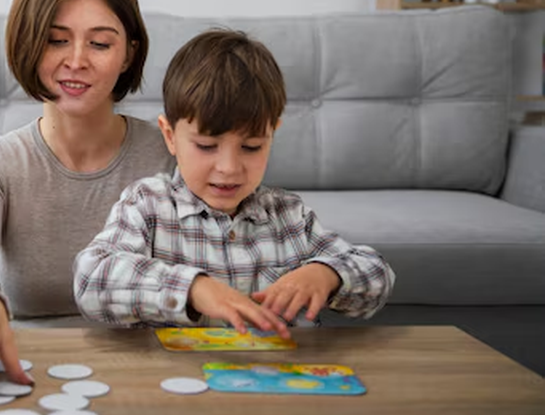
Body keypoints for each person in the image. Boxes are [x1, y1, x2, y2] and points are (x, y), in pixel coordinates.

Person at [0, 0, 175, 392]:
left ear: (128, 53)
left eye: (100, 43)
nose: (77, 60)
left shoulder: (172, 154)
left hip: (148, 375)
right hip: (31, 370)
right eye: (56, 39)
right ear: (28, 41)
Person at [74, 30, 394, 331]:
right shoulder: (147, 205)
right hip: (181, 382)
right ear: (170, 136)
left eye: (251, 147)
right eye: (206, 146)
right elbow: (91, 279)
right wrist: (194, 289)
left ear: (271, 136)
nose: (228, 168)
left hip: (279, 381)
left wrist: (328, 275)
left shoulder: (290, 216)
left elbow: (377, 274)